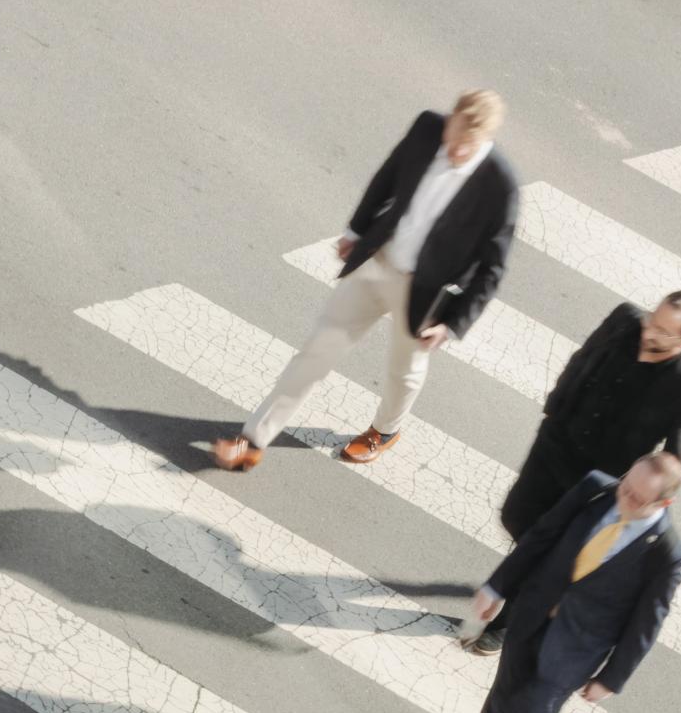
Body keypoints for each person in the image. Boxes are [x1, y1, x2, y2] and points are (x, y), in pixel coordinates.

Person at [212, 90, 520, 471]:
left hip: (424, 292)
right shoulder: (428, 128)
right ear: (450, 119)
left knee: (403, 372)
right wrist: (357, 230)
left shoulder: (500, 187)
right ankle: (254, 439)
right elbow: (388, 176)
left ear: (485, 141)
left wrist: (453, 324)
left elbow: (494, 267)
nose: (455, 151)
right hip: (378, 261)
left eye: (465, 148)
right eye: (452, 140)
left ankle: (385, 431)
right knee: (317, 350)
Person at [429, 453, 681, 713]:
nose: (624, 498)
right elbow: (541, 537)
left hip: (578, 648)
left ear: (663, 503)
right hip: (530, 618)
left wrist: (612, 677)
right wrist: (497, 586)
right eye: (625, 486)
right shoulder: (595, 489)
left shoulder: (666, 554)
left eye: (637, 498)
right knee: (501, 702)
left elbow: (646, 623)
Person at [469, 292, 681, 656]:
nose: (650, 331)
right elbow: (582, 360)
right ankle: (520, 577)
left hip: (596, 479)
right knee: (515, 516)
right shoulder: (625, 320)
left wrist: (637, 499)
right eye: (652, 319)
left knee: (549, 544)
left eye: (663, 331)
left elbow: (672, 460)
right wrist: (554, 411)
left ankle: (510, 619)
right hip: (556, 443)